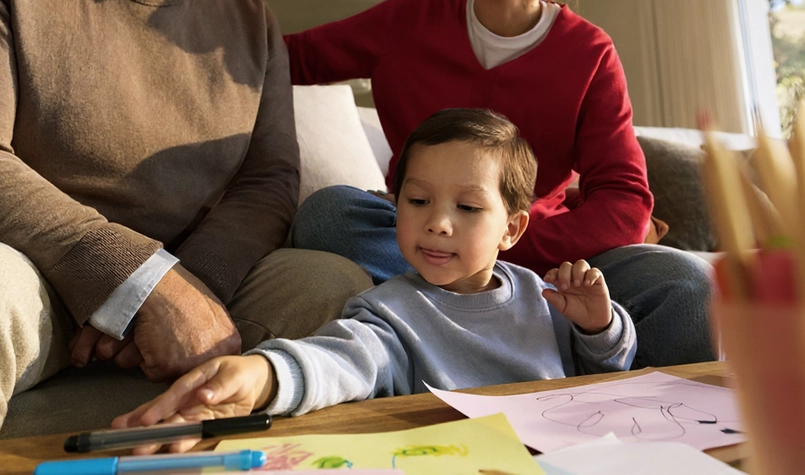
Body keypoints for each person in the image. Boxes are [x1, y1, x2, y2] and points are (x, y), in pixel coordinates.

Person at [0, 0, 371, 429]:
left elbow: (268, 182)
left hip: (197, 272)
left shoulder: (252, 20)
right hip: (38, 270)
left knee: (335, 287)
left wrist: (185, 289)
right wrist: (137, 285)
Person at [285, 0, 716, 369]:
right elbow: (284, 56)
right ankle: (522, 316)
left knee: (686, 284)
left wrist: (498, 239)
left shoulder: (590, 53)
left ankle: (647, 420)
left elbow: (624, 201)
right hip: (434, 231)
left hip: (542, 251)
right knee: (329, 214)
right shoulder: (411, 17)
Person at [114, 108, 636, 447]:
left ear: (512, 229)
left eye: (469, 207)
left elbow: (608, 367)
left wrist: (600, 327)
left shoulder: (540, 295)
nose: (437, 221)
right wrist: (261, 377)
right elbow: (341, 359)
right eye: (418, 200)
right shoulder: (390, 310)